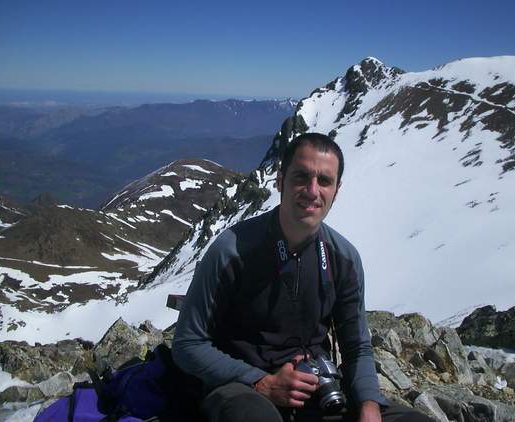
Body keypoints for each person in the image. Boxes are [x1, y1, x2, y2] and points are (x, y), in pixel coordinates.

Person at [172, 133, 432, 422]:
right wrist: (261, 382)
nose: (312, 190)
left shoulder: (343, 258)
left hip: (317, 392)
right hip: (242, 390)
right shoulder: (232, 250)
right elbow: (188, 344)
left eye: (324, 181)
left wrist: (369, 404)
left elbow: (357, 347)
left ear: (336, 190)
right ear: (280, 180)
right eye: (301, 177)